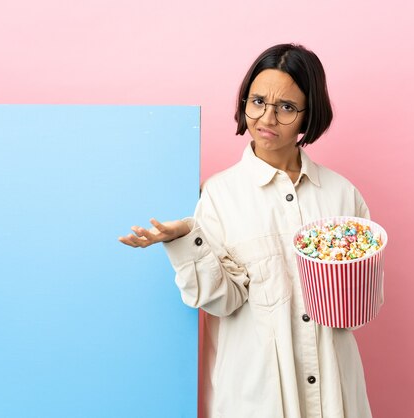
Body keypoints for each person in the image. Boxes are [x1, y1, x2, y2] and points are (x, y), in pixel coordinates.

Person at [119, 43, 376, 418]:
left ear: (309, 115)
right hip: (256, 398)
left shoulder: (342, 195)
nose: (267, 118)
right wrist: (183, 239)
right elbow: (221, 301)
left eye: (286, 107)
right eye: (257, 101)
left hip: (336, 395)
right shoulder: (219, 195)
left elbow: (360, 304)